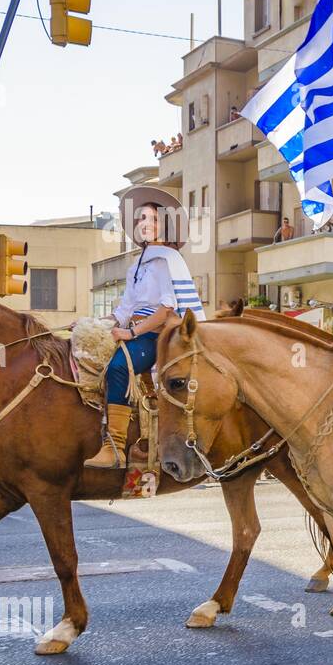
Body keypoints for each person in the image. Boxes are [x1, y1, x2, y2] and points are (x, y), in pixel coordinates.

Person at [86, 185, 206, 469]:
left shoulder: (167, 260)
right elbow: (125, 310)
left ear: (164, 224)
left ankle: (114, 447)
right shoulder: (135, 266)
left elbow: (167, 309)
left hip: (157, 334)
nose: (145, 224)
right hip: (136, 329)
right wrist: (93, 324)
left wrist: (131, 333)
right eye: (141, 219)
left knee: (118, 367)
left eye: (152, 219)